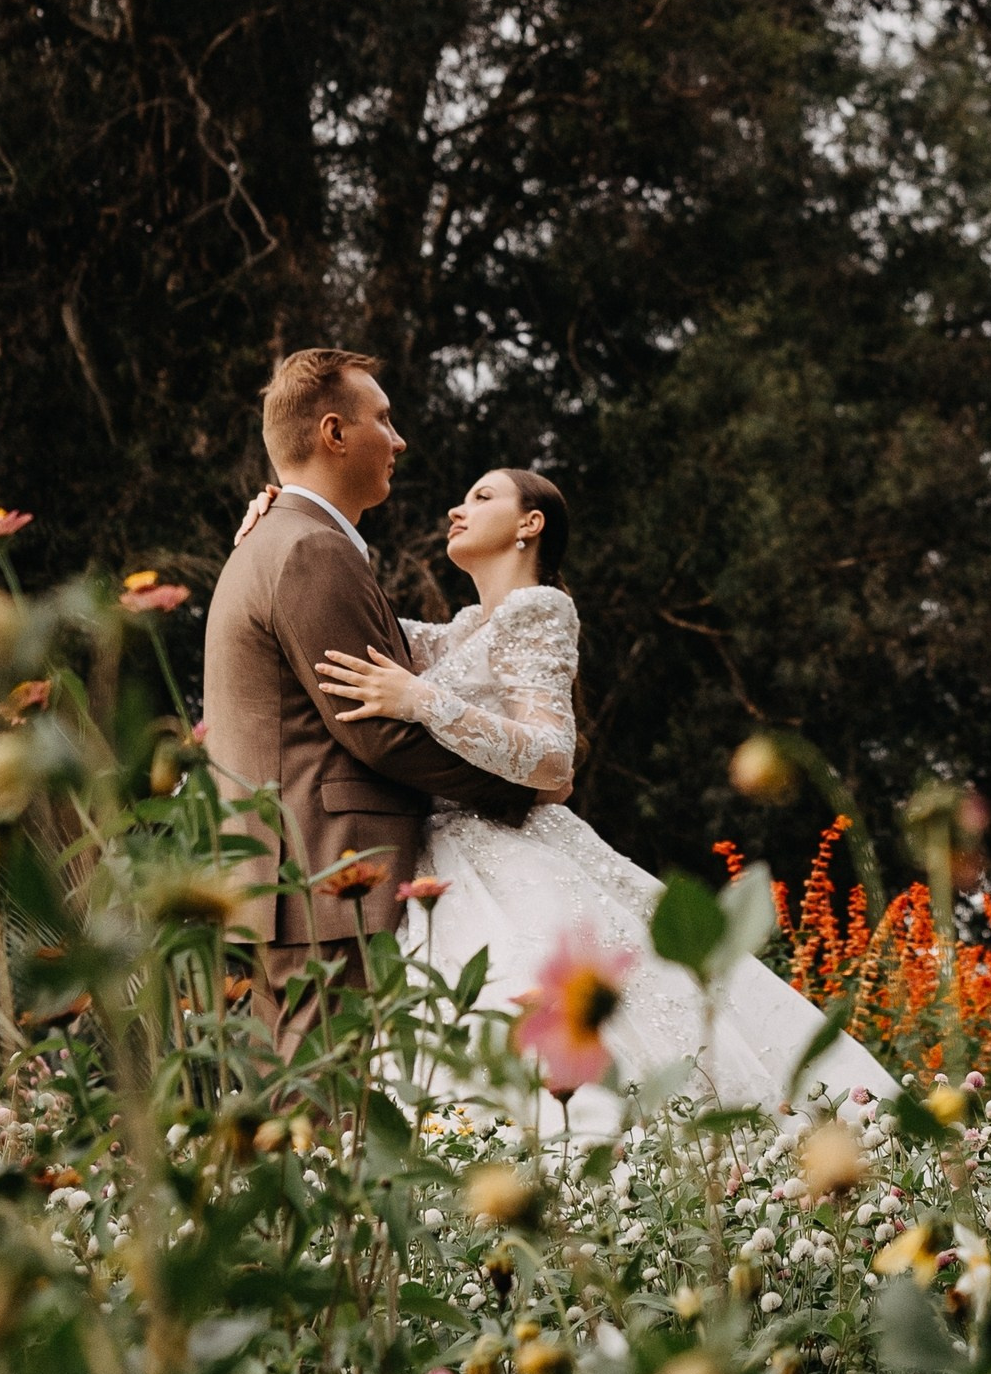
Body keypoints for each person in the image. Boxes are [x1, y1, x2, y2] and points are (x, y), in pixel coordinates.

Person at [310, 463, 894, 1109]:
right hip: (443, 857)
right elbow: (346, 604)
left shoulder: (541, 609)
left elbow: (553, 760)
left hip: (509, 849)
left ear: (530, 524)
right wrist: (294, 511)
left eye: (481, 497)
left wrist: (422, 701)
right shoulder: (465, 628)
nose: (456, 509)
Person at [200, 351, 535, 1031]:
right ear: (334, 433)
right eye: (383, 419)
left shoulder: (283, 540)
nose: (399, 439)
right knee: (331, 1114)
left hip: (292, 881)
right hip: (324, 875)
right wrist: (516, 786)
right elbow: (375, 730)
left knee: (306, 1118)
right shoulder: (307, 549)